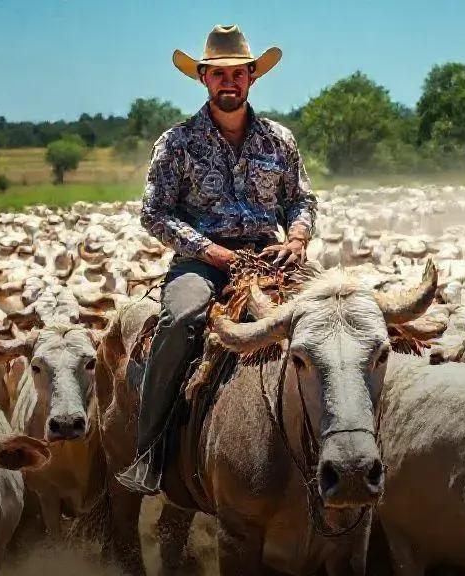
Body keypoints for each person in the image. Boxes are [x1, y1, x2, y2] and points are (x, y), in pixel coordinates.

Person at [118, 24, 316, 495]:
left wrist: (298, 237)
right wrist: (210, 251)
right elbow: (155, 213)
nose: (230, 83)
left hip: (273, 259)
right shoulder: (177, 142)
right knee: (181, 318)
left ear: (252, 77)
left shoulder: (278, 140)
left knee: (341, 320)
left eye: (238, 74)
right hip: (203, 262)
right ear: (204, 79)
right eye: (219, 75)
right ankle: (150, 454)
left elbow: (301, 199)